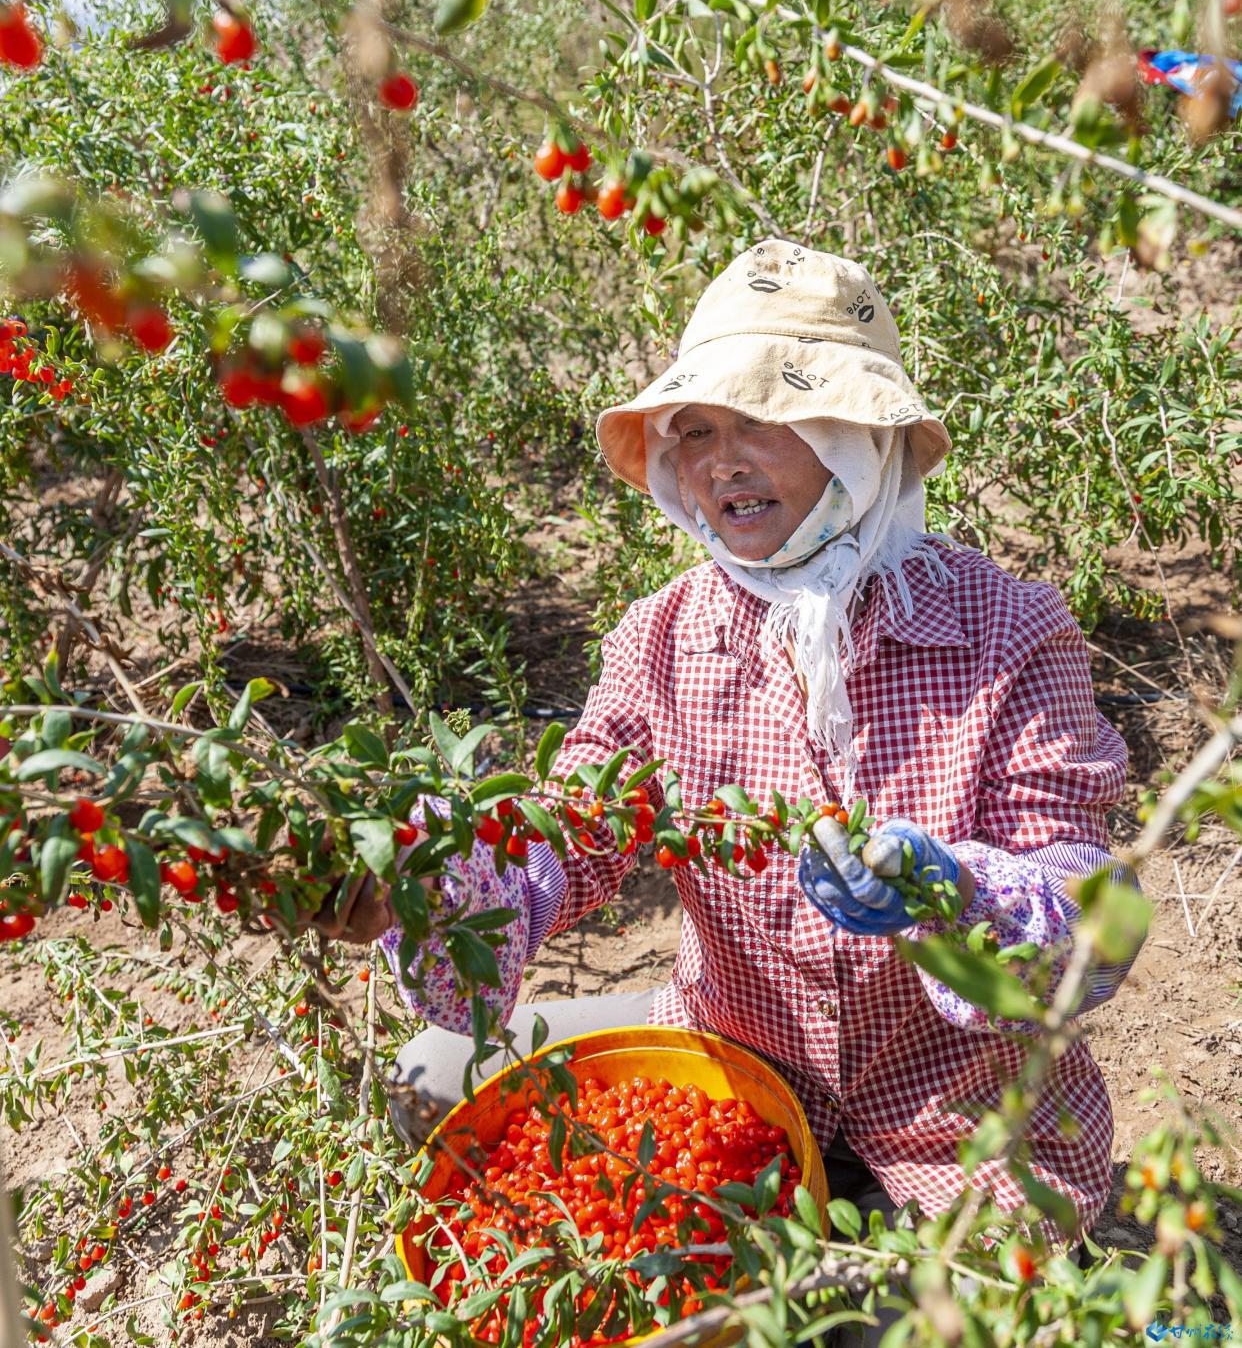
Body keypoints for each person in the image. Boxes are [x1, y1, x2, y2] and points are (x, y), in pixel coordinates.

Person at [351, 242, 1143, 1270]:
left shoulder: (1008, 631)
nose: (721, 460)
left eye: (762, 420)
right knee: (433, 1070)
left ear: (860, 437)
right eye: (695, 430)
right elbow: (571, 826)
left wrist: (956, 893)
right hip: (737, 1064)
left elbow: (1091, 915)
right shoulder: (664, 638)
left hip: (964, 1127)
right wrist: (439, 880)